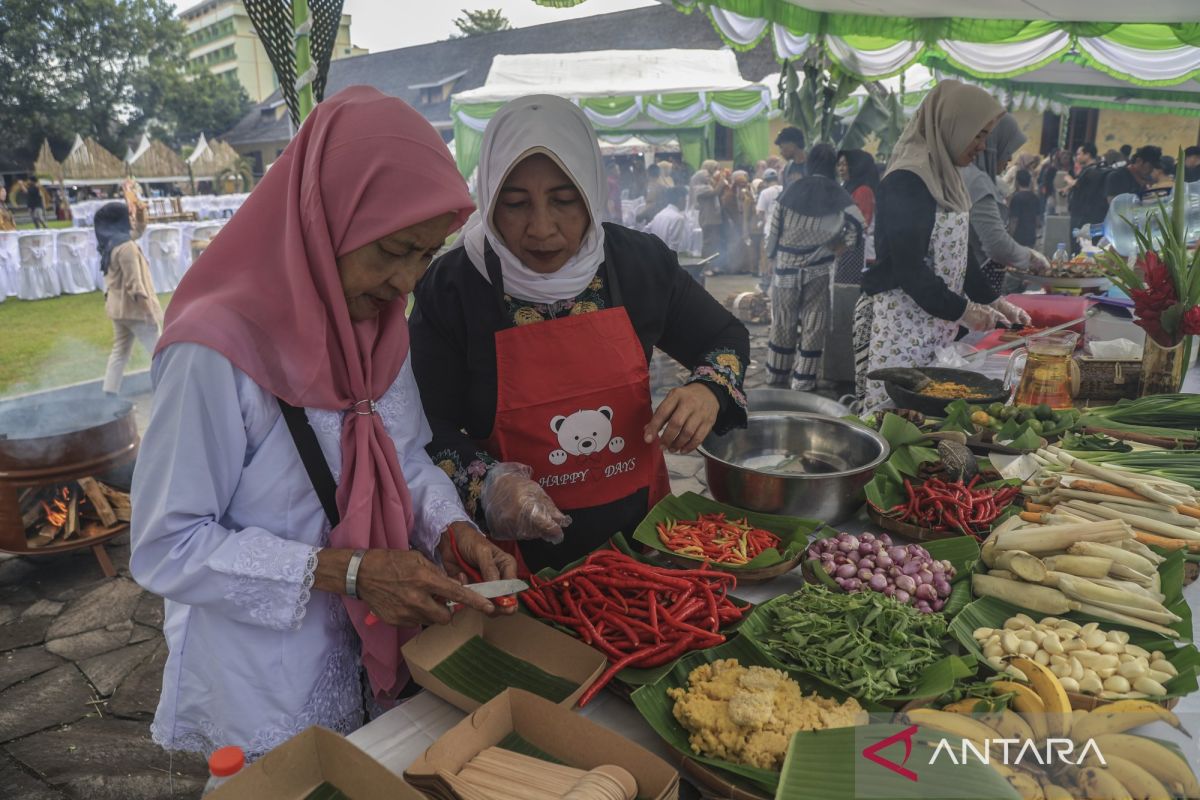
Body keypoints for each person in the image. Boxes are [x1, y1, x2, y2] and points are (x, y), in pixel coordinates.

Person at [128, 87, 516, 759]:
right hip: (268, 681)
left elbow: (403, 457)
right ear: (323, 219)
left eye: (426, 254)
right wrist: (351, 572)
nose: (406, 282)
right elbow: (168, 544)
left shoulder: (374, 326)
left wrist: (449, 528)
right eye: (392, 249)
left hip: (376, 659)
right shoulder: (213, 351)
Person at [409, 94, 750, 574]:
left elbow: (725, 335)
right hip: (512, 559)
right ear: (488, 196)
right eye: (515, 204)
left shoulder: (638, 263)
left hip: (643, 540)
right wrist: (484, 482)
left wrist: (709, 388)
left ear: (591, 190)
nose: (541, 228)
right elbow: (423, 425)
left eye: (565, 200)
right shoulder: (453, 286)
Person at [854, 80, 1022, 410]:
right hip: (898, 323)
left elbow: (961, 254)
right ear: (950, 125)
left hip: (935, 319)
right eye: (978, 133)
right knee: (892, 415)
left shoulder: (948, 175)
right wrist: (965, 311)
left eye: (986, 135)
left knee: (929, 414)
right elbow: (908, 268)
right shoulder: (908, 179)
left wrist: (995, 302)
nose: (982, 145)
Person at [765, 143, 863, 390]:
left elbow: (773, 228)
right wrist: (839, 247)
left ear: (810, 163)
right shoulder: (838, 194)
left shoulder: (792, 189)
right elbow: (858, 226)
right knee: (813, 324)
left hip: (786, 270)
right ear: (831, 165)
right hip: (819, 271)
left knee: (782, 323)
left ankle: (777, 376)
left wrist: (770, 256)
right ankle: (803, 382)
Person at [961, 113, 1050, 291]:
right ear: (994, 146)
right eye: (1008, 151)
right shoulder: (976, 180)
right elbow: (996, 245)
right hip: (972, 285)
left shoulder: (972, 175)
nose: (1009, 159)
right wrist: (1031, 259)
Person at [95, 202, 162, 395]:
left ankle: (109, 391)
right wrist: (148, 313)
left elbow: (139, 230)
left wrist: (141, 211)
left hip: (117, 309)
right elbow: (135, 286)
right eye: (128, 216)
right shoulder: (126, 247)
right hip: (135, 310)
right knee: (160, 353)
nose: (131, 219)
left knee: (119, 353)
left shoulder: (112, 242)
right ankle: (171, 389)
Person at [837, 148, 879, 275]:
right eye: (839, 164)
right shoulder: (847, 187)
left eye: (845, 164)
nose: (841, 169)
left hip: (861, 255)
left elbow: (860, 224)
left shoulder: (863, 191)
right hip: (851, 250)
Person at [1069, 143, 1109, 251]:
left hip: (1082, 214)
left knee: (1079, 245)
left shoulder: (1089, 171)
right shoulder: (1100, 170)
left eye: (1079, 154)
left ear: (1087, 155)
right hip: (1094, 214)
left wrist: (1068, 179)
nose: (1077, 157)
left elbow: (1076, 184)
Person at [689, 160, 726, 262]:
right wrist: (721, 182)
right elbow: (714, 192)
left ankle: (714, 264)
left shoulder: (708, 184)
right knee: (708, 242)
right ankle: (706, 265)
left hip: (713, 216)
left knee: (714, 241)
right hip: (707, 217)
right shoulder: (699, 188)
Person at [720, 169, 755, 274]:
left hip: (745, 221)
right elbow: (727, 206)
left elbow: (751, 203)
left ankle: (745, 267)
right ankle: (734, 267)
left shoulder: (748, 191)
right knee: (735, 245)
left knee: (745, 245)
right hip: (733, 222)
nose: (743, 186)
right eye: (740, 184)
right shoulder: (729, 194)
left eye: (744, 184)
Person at [754, 168, 782, 283]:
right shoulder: (784, 189)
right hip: (784, 228)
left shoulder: (764, 193)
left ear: (765, 181)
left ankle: (766, 284)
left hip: (770, 229)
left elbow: (760, 213)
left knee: (768, 257)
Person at [645, 186, 688, 252]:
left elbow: (646, 230)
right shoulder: (678, 218)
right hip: (666, 257)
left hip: (655, 254)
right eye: (685, 200)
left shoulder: (659, 214)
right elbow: (674, 246)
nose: (686, 202)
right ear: (681, 199)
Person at [1009, 170, 1041, 248]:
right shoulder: (1035, 198)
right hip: (1031, 236)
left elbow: (1014, 220)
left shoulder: (1016, 198)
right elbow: (1038, 220)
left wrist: (1009, 236)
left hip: (1018, 237)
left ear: (1017, 182)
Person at [1050, 150, 1073, 216]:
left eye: (1067, 155)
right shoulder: (1052, 170)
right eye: (1063, 155)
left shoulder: (1072, 171)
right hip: (1054, 198)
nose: (1065, 156)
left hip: (1067, 200)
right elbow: (1048, 185)